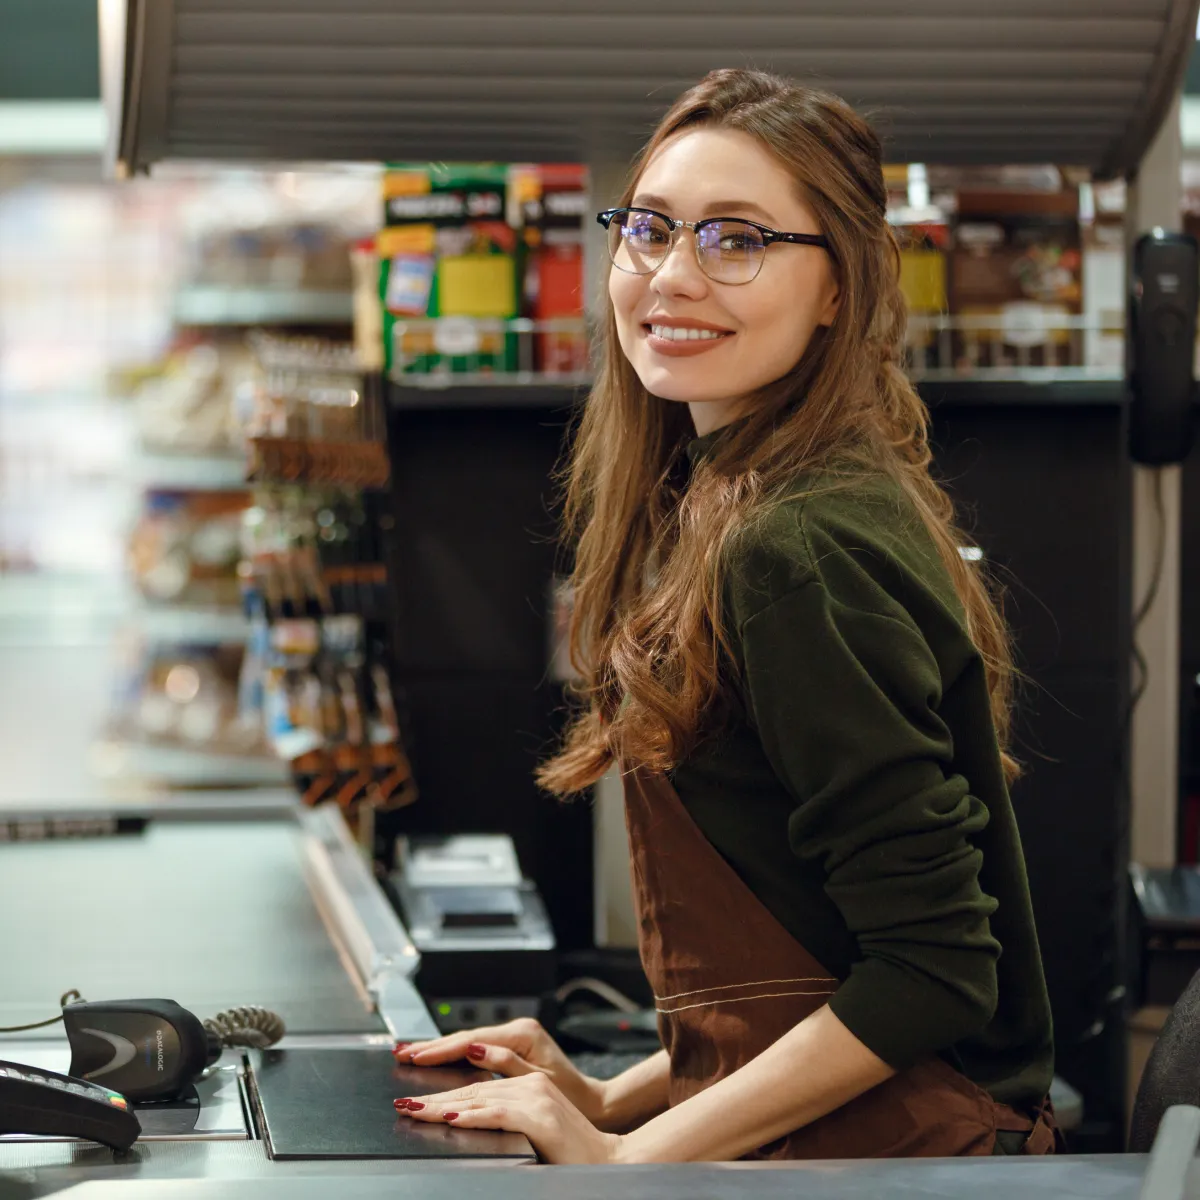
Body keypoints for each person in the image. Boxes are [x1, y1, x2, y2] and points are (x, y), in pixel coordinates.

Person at [390, 67, 1057, 1164]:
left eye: (736, 241)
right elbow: (823, 961)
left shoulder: (792, 548)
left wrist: (625, 1162)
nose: (671, 275)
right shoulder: (747, 500)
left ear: (839, 287)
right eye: (648, 229)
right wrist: (613, 1096)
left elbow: (934, 972)